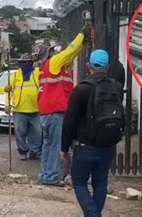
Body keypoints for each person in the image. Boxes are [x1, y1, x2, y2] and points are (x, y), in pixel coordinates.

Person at [61, 49, 124, 217]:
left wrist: (64, 148)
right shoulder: (116, 87)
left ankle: (93, 215)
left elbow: (70, 122)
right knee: (101, 183)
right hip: (107, 145)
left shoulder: (81, 89)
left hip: (85, 146)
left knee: (80, 183)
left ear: (88, 65)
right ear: (108, 67)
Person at [36, 25, 91, 186]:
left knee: (48, 145)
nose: (57, 53)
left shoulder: (50, 68)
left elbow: (70, 55)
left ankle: (45, 175)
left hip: (47, 112)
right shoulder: (53, 63)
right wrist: (81, 34)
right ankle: (51, 176)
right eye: (54, 51)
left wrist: (81, 45)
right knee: (54, 146)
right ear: (49, 55)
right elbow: (68, 52)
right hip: (54, 112)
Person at [5, 53, 41, 161]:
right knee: (20, 132)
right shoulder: (15, 75)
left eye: (28, 62)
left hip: (36, 109)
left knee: (37, 132)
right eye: (23, 63)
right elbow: (8, 91)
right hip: (19, 109)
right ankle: (23, 151)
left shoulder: (37, 73)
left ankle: (34, 152)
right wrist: (7, 104)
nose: (26, 65)